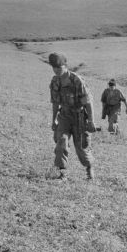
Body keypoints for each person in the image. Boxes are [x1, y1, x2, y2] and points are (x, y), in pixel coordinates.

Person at [48, 52, 97, 181]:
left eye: (59, 67)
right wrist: (53, 120)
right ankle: (62, 173)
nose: (56, 70)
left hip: (79, 116)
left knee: (81, 147)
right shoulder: (55, 81)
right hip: (64, 116)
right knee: (61, 142)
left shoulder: (77, 80)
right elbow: (55, 102)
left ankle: (89, 168)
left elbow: (88, 102)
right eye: (54, 67)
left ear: (66, 66)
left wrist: (91, 121)